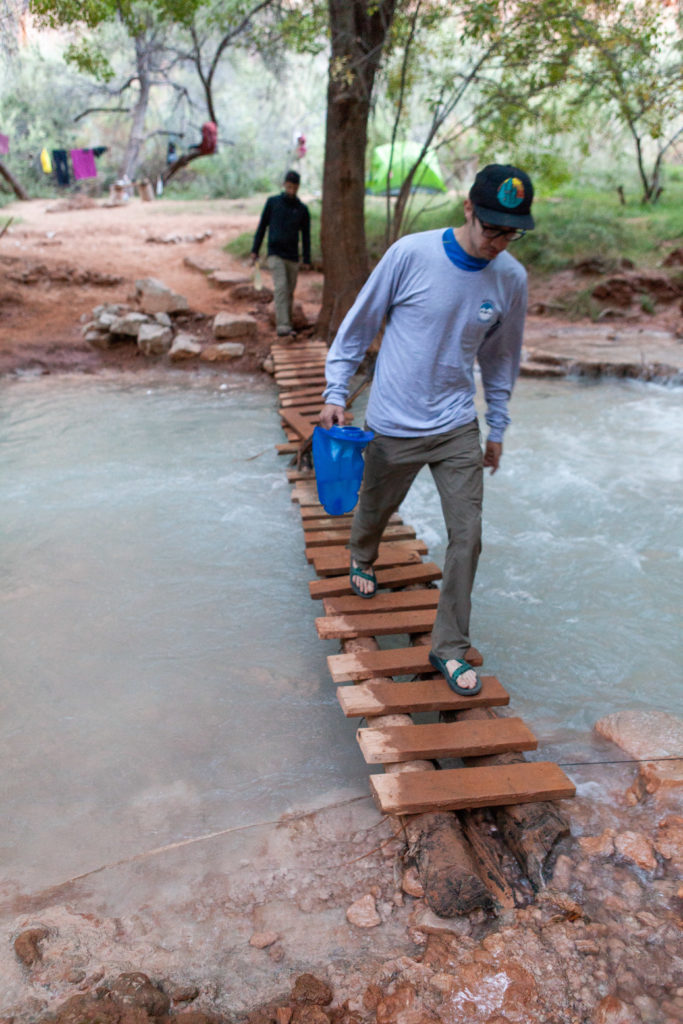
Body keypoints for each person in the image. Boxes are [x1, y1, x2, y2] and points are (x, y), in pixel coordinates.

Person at [319, 163, 534, 696]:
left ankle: (450, 648)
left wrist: (497, 427)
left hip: (457, 423)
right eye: (492, 229)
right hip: (393, 420)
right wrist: (334, 391)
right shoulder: (411, 255)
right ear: (468, 210)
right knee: (375, 507)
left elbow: (502, 362)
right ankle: (362, 554)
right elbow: (359, 326)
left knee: (469, 535)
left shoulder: (511, 279)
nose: (500, 242)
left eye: (512, 232)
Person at [250, 170, 311, 337]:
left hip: (292, 256)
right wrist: (255, 249)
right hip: (275, 254)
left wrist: (306, 258)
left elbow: (305, 236)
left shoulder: (302, 210)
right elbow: (262, 227)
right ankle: (283, 326)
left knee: (289, 291)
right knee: (281, 288)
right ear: (284, 185)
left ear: (298, 187)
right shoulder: (272, 203)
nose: (291, 190)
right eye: (289, 187)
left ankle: (289, 324)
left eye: (294, 188)